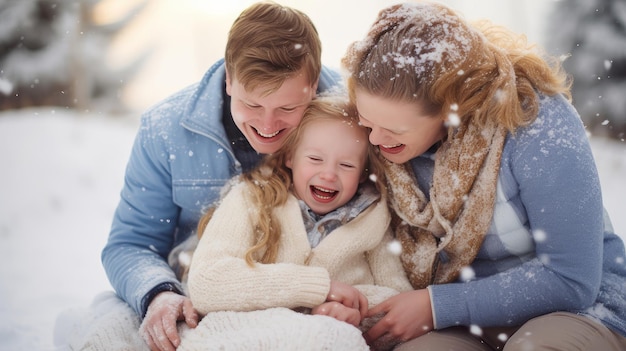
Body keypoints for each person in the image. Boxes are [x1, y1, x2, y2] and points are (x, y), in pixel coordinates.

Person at [341, 2, 626, 350]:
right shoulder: (388, 137)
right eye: (368, 123)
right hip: (465, 321)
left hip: (578, 309)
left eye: (393, 130)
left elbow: (573, 278)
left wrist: (435, 306)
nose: (374, 140)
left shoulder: (536, 123)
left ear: (450, 108)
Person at [100, 2, 341, 350]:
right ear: (229, 79)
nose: (268, 125)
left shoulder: (349, 118)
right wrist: (158, 293)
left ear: (313, 85)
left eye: (287, 108)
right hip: (200, 299)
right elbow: (131, 244)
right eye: (252, 105)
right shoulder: (164, 130)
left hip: (315, 299)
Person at [177, 95, 412, 350]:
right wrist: (319, 289)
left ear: (363, 172)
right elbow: (207, 283)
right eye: (315, 159)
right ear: (290, 157)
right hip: (255, 334)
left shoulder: (374, 219)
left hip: (329, 339)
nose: (329, 174)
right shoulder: (251, 198)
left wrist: (353, 311)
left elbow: (398, 300)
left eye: (346, 165)